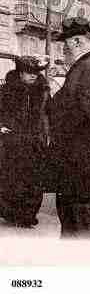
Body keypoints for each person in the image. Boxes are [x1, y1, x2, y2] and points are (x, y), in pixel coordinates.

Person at [49, 17, 90, 239]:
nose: (64, 49)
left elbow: (85, 109)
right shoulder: (86, 67)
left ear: (77, 42)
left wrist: (56, 104)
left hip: (82, 162)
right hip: (76, 162)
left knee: (84, 226)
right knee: (73, 222)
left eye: (65, 45)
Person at [0, 57, 49, 228]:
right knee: (12, 178)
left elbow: (47, 115)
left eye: (36, 72)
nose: (34, 75)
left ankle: (28, 215)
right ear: (20, 73)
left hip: (35, 143)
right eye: (29, 72)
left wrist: (46, 135)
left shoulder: (42, 91)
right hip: (13, 142)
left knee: (34, 179)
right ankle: (11, 213)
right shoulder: (7, 90)